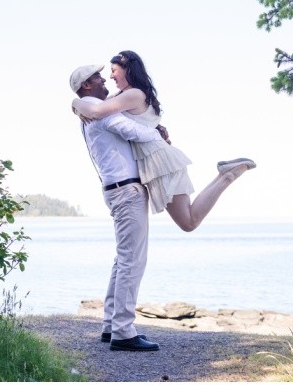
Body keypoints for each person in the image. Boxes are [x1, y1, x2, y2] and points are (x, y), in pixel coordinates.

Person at [72, 50, 255, 232]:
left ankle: (227, 176)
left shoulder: (132, 94)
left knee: (189, 222)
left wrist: (76, 103)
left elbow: (95, 111)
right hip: (156, 159)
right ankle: (225, 174)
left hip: (158, 161)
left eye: (114, 70)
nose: (110, 76)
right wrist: (77, 106)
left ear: (127, 70)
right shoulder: (124, 95)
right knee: (188, 220)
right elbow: (100, 106)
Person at [71, 64, 166, 352]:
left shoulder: (89, 108)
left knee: (122, 259)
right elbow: (127, 128)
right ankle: (123, 332)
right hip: (126, 190)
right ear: (87, 85)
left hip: (119, 189)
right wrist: (157, 134)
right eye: (98, 76)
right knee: (132, 261)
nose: (104, 79)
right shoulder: (96, 109)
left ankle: (112, 324)